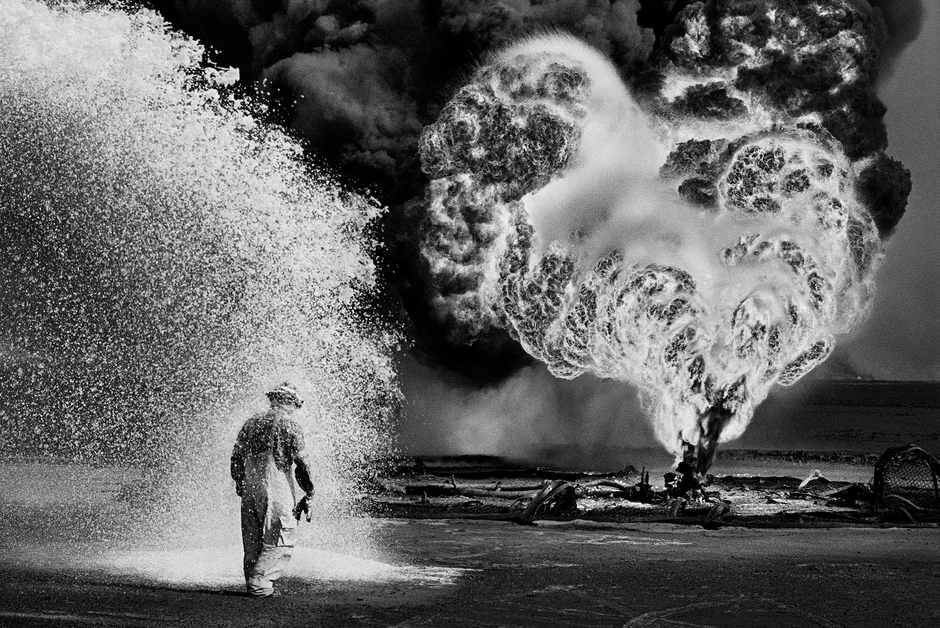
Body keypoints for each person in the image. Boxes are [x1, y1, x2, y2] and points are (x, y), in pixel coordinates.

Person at [230, 383, 315, 597]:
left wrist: (240, 481)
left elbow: (236, 456)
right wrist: (309, 492)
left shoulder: (251, 423)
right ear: (291, 403)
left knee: (253, 535)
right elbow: (302, 462)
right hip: (275, 485)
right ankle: (259, 584)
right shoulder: (288, 424)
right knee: (280, 534)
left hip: (250, 485)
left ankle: (252, 579)